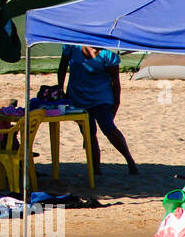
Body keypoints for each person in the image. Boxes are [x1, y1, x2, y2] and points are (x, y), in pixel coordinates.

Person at [58, 44, 138, 175]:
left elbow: (115, 82)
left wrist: (116, 102)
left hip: (101, 98)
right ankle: (96, 169)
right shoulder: (71, 47)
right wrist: (60, 89)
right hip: (78, 97)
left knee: (108, 127)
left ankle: (130, 161)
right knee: (88, 133)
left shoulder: (108, 55)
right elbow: (62, 68)